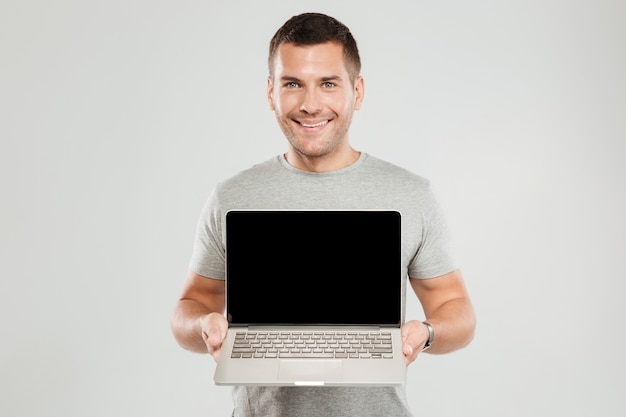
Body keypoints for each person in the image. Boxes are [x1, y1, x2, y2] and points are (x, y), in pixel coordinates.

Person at [171, 12, 476, 417]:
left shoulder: (411, 195)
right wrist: (203, 327)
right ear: (270, 92)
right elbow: (190, 306)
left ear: (357, 91)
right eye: (292, 84)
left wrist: (426, 332)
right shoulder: (232, 196)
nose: (310, 104)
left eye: (328, 84)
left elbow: (456, 308)